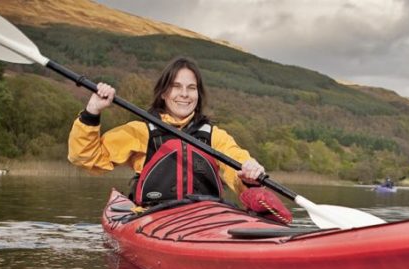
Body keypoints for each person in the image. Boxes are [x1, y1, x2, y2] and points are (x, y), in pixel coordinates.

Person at [67, 57, 290, 224]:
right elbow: (86, 157)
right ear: (163, 93)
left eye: (191, 88)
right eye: (176, 87)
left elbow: (238, 165)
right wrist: (92, 111)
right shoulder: (140, 131)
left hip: (207, 220)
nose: (184, 94)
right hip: (154, 219)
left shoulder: (214, 136)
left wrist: (250, 174)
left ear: (198, 95)